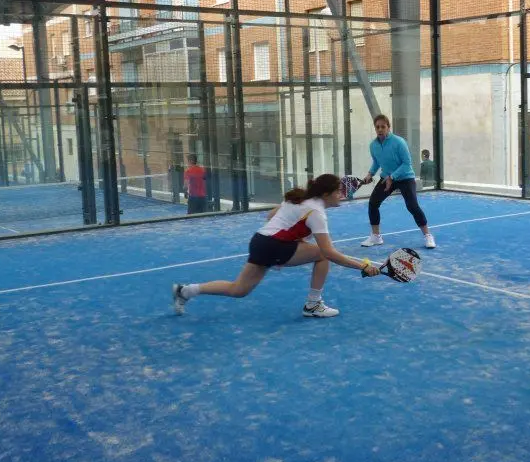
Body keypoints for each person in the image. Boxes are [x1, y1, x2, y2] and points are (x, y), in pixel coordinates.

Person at [172, 173, 380, 318]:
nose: (341, 195)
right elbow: (329, 252)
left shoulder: (300, 199)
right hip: (273, 246)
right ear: (326, 194)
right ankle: (313, 304)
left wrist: (290, 239)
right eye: (337, 192)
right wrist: (362, 265)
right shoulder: (316, 212)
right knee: (322, 255)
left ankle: (186, 291)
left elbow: (271, 216)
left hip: (259, 241)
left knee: (239, 289)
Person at [361, 114, 436, 249]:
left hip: (405, 177)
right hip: (387, 177)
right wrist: (370, 173)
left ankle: (428, 235)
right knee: (373, 203)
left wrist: (392, 177)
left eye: (383, 127)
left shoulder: (399, 142)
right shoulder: (373, 145)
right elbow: (377, 162)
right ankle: (376, 237)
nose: (380, 129)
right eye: (377, 127)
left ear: (388, 127)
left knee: (412, 206)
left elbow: (407, 163)